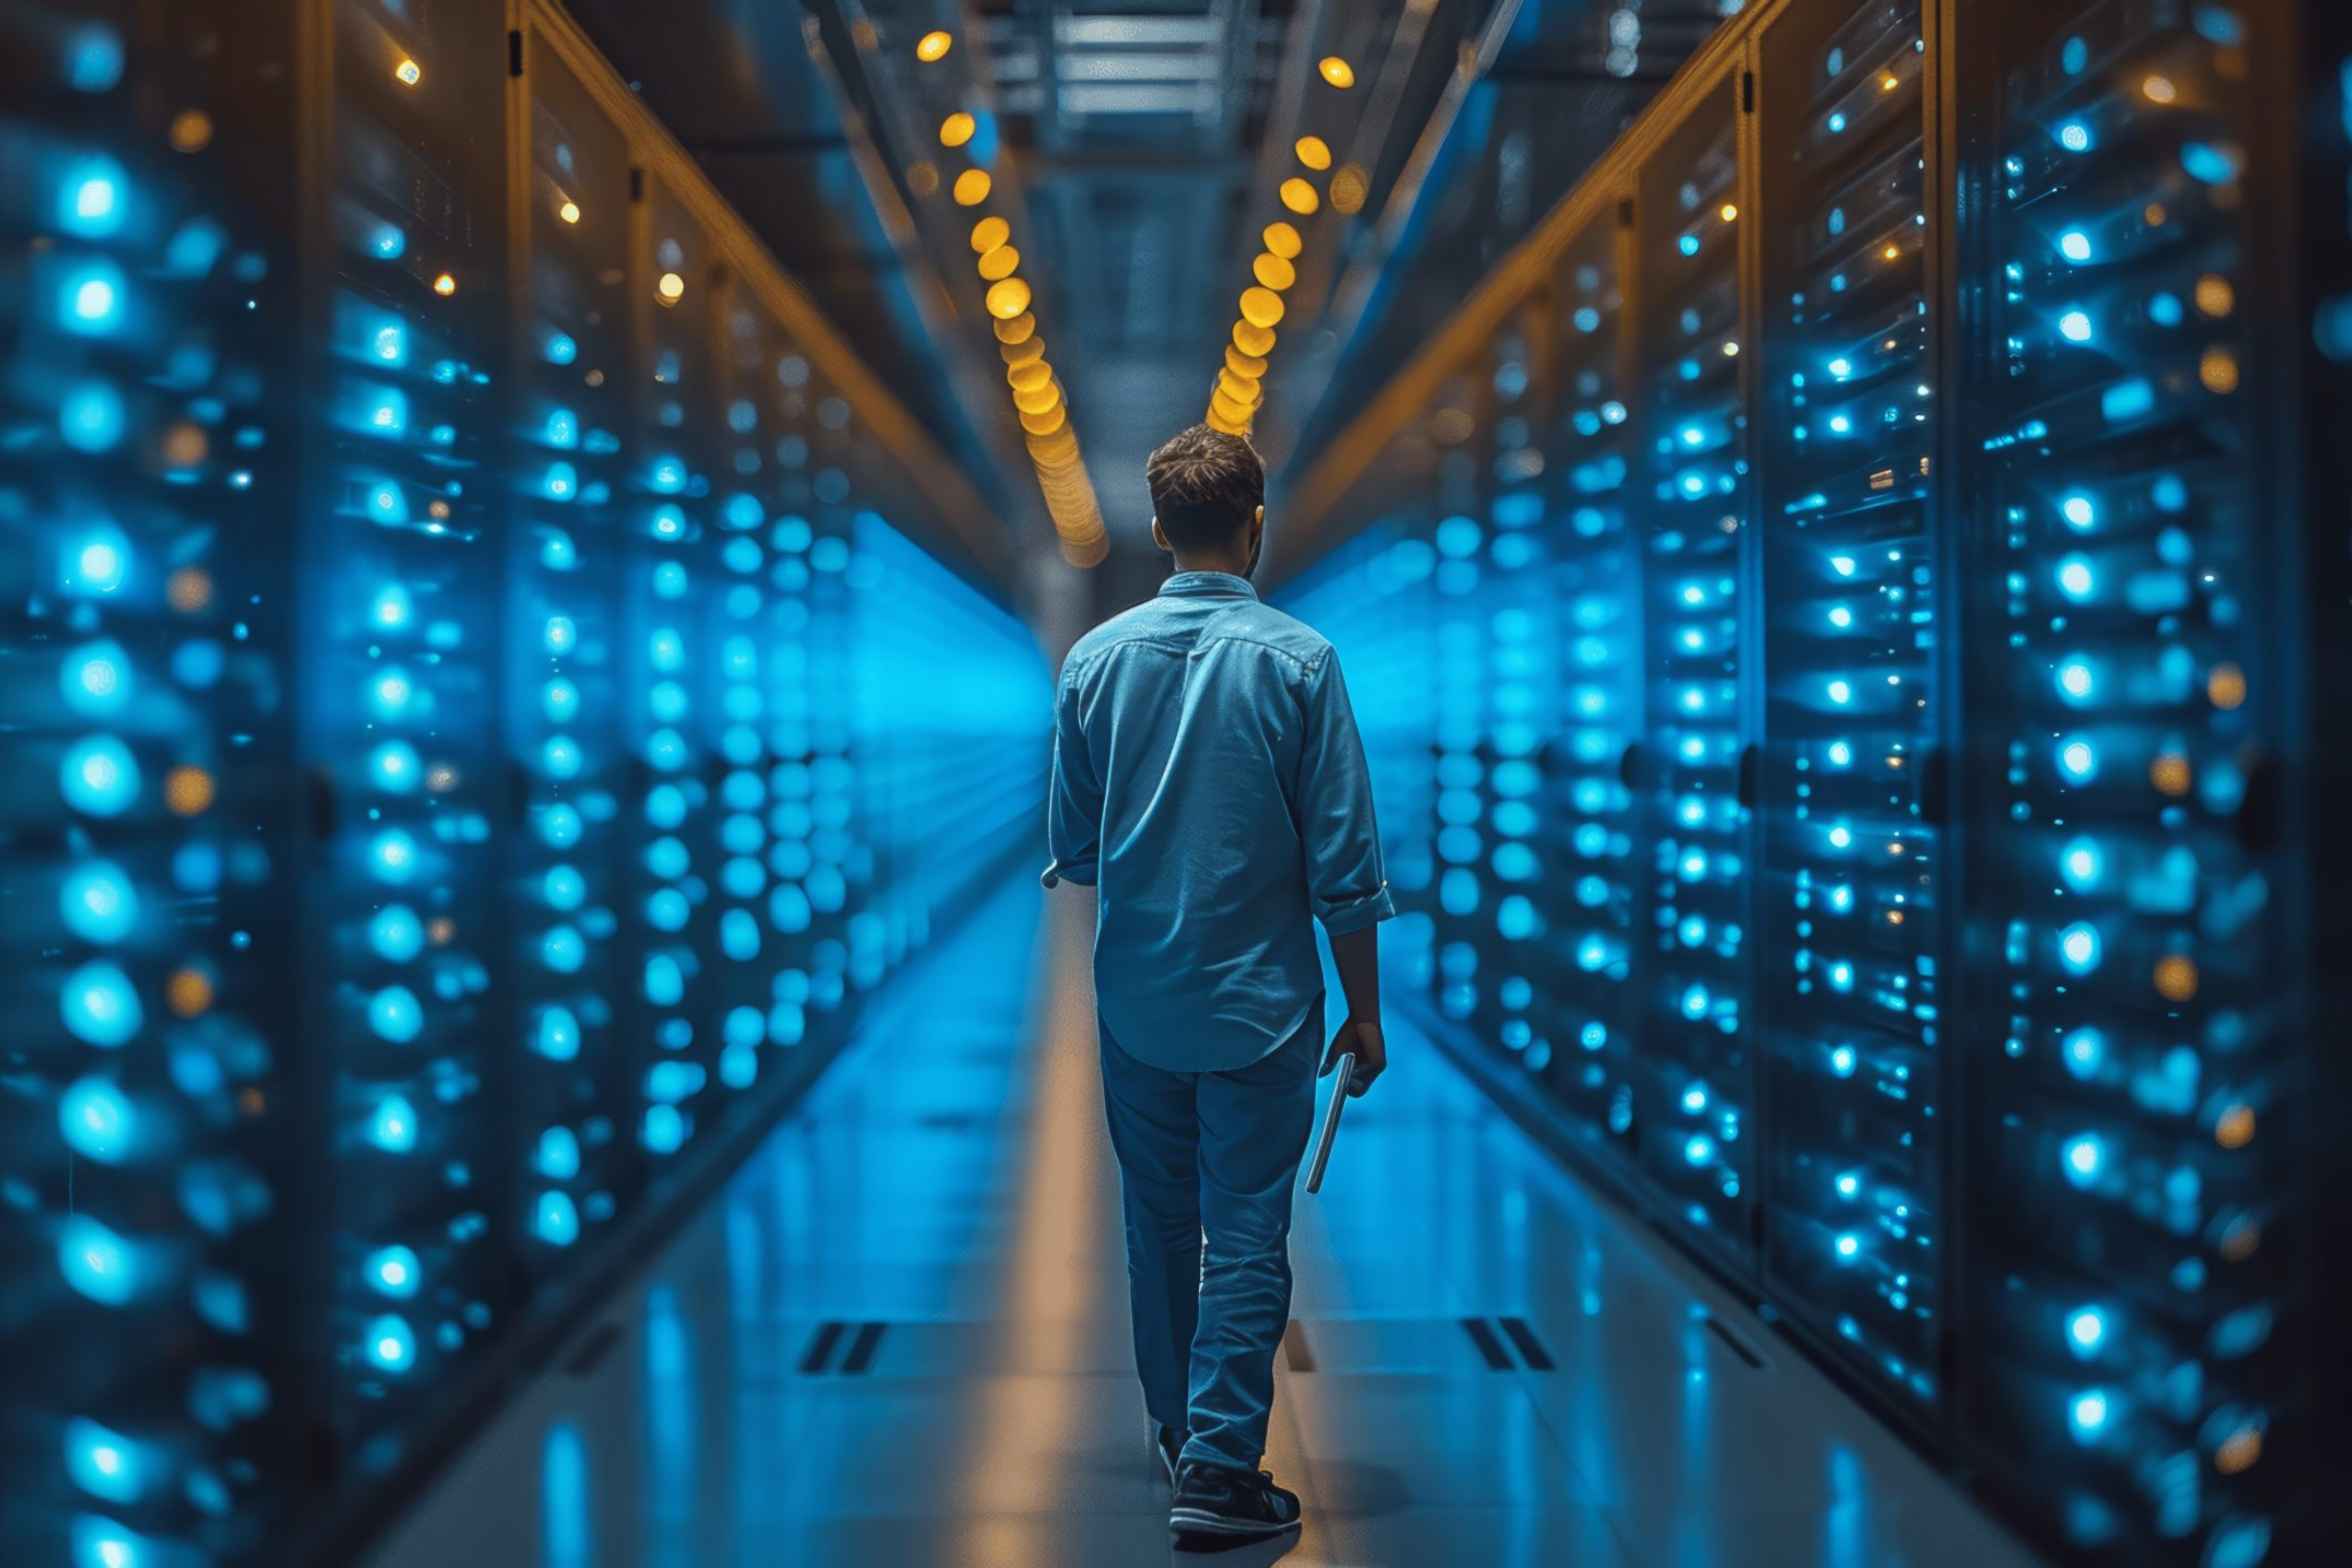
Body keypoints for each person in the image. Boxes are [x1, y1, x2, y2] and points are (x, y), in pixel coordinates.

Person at [1042, 423, 1394, 1544]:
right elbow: (1346, 864)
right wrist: (1366, 1009)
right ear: (1256, 522)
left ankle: (1172, 1426)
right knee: (1246, 1228)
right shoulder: (1303, 661)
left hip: (1138, 1000)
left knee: (1158, 1224)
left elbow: (1078, 847)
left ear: (1155, 528)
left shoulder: (1093, 661)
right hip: (1262, 1007)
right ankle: (1220, 1460)